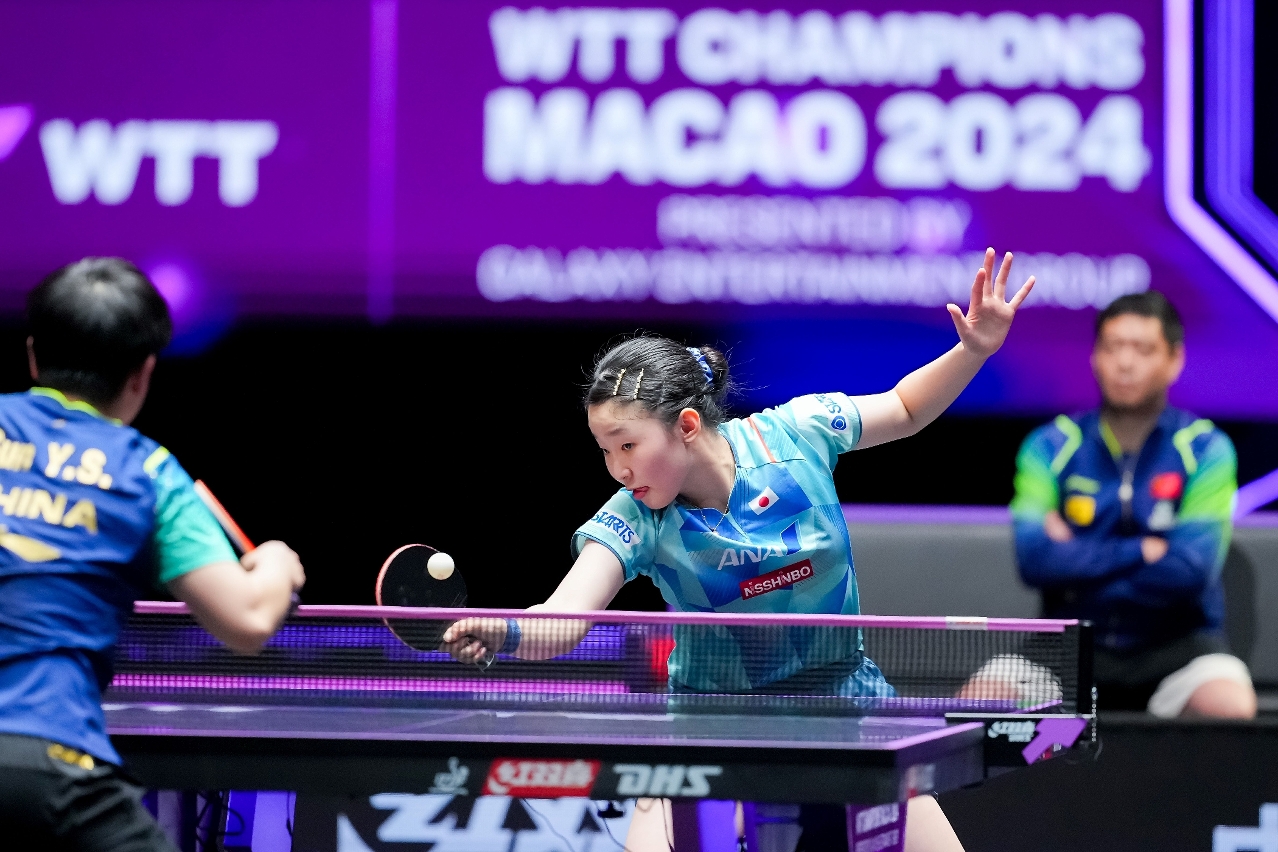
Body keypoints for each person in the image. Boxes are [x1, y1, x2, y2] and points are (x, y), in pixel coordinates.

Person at [444, 248, 1034, 852]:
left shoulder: (798, 434)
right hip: (712, 729)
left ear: (687, 426)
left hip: (844, 708)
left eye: (627, 445)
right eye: (605, 451)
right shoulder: (634, 519)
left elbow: (905, 408)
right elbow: (564, 618)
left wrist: (973, 350)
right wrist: (504, 631)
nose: (617, 468)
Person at [0, 258, 306, 849]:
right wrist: (275, 563)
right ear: (142, 374)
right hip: (53, 768)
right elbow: (247, 620)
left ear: (34, 356)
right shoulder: (147, 472)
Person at [1010, 291, 1255, 718]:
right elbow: (1035, 560)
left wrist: (1075, 558)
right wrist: (1143, 550)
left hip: (1178, 646)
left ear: (1174, 360)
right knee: (984, 696)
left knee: (1228, 705)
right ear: (1095, 357)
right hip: (1068, 645)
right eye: (1112, 347)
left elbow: (1190, 570)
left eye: (1142, 349)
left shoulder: (1206, 449)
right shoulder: (1048, 446)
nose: (1124, 362)